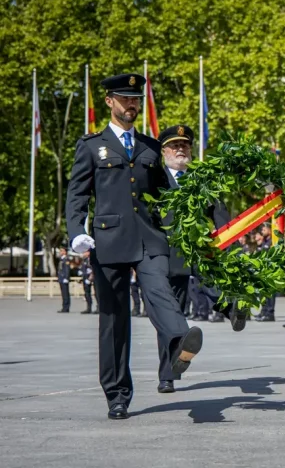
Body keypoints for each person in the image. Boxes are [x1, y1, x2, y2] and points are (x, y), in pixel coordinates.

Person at [65, 73, 203, 420]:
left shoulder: (150, 147)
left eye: (135, 99)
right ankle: (117, 393)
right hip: (108, 239)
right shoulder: (90, 146)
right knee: (114, 319)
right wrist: (75, 231)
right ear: (110, 101)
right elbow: (78, 194)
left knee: (160, 290)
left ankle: (180, 340)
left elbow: (164, 194)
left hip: (149, 237)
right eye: (125, 98)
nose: (131, 104)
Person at [155, 125, 246, 393]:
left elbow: (219, 213)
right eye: (175, 145)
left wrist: (232, 248)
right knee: (172, 314)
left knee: (212, 279)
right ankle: (168, 375)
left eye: (185, 145)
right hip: (168, 252)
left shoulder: (201, 178)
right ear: (164, 151)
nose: (181, 149)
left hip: (201, 247)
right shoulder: (155, 179)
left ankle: (232, 310)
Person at [57, 247, 71, 313]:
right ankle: (64, 307)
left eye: (61, 251)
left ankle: (66, 307)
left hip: (64, 278)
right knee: (63, 294)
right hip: (61, 278)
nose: (60, 252)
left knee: (65, 294)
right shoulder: (61, 259)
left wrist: (66, 278)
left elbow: (67, 269)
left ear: (65, 252)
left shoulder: (66, 259)